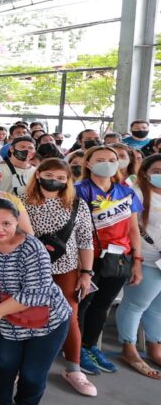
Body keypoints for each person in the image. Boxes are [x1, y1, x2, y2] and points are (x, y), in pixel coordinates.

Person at [0, 198, 71, 405]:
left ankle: (27, 403)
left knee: (33, 371)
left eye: (6, 223)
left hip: (48, 321)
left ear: (17, 222)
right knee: (4, 364)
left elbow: (37, 293)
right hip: (5, 320)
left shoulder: (33, 248)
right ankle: (0, 400)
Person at [20, 157, 96, 394]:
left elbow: (85, 241)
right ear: (38, 175)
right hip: (29, 267)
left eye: (61, 178)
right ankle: (22, 365)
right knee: (26, 314)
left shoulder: (77, 204)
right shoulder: (22, 201)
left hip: (66, 269)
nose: (54, 181)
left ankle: (73, 368)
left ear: (68, 180)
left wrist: (86, 273)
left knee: (69, 316)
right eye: (49, 176)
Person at [75, 145, 144, 376]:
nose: (107, 163)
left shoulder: (126, 192)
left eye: (112, 159)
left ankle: (90, 345)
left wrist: (137, 260)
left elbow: (133, 229)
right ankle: (75, 349)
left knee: (102, 305)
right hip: (88, 259)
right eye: (100, 159)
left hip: (119, 259)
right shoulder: (78, 190)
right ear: (88, 163)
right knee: (82, 305)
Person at [116, 154, 161, 378]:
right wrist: (136, 259)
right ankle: (129, 348)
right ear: (145, 172)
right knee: (136, 305)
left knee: (158, 308)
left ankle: (155, 347)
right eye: (157, 171)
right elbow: (131, 228)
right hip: (146, 258)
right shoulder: (137, 193)